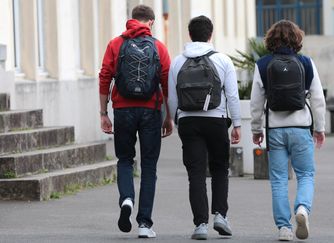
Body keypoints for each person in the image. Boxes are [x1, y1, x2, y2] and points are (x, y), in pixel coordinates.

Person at [98, 5, 173, 238]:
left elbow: (104, 77)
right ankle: (144, 224)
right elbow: (166, 84)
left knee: (124, 159)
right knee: (149, 165)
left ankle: (127, 200)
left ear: (132, 21)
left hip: (123, 110)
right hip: (150, 111)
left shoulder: (115, 44)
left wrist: (103, 112)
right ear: (150, 22)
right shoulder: (158, 47)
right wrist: (168, 116)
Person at [250, 20, 326, 241]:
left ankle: (284, 228)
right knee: (305, 174)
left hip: (275, 130)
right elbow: (318, 99)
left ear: (270, 39)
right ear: (297, 38)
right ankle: (302, 209)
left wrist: (256, 128)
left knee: (279, 179)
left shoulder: (263, 64)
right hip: (301, 128)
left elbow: (256, 102)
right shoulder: (306, 63)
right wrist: (319, 128)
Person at [167, 15, 241, 240]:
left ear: (190, 35)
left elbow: (171, 97)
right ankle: (220, 215)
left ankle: (200, 224)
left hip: (189, 120)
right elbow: (232, 95)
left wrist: (175, 119)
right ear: (211, 35)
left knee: (196, 173)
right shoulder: (223, 60)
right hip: (216, 119)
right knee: (220, 168)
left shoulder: (178, 61)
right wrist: (236, 123)